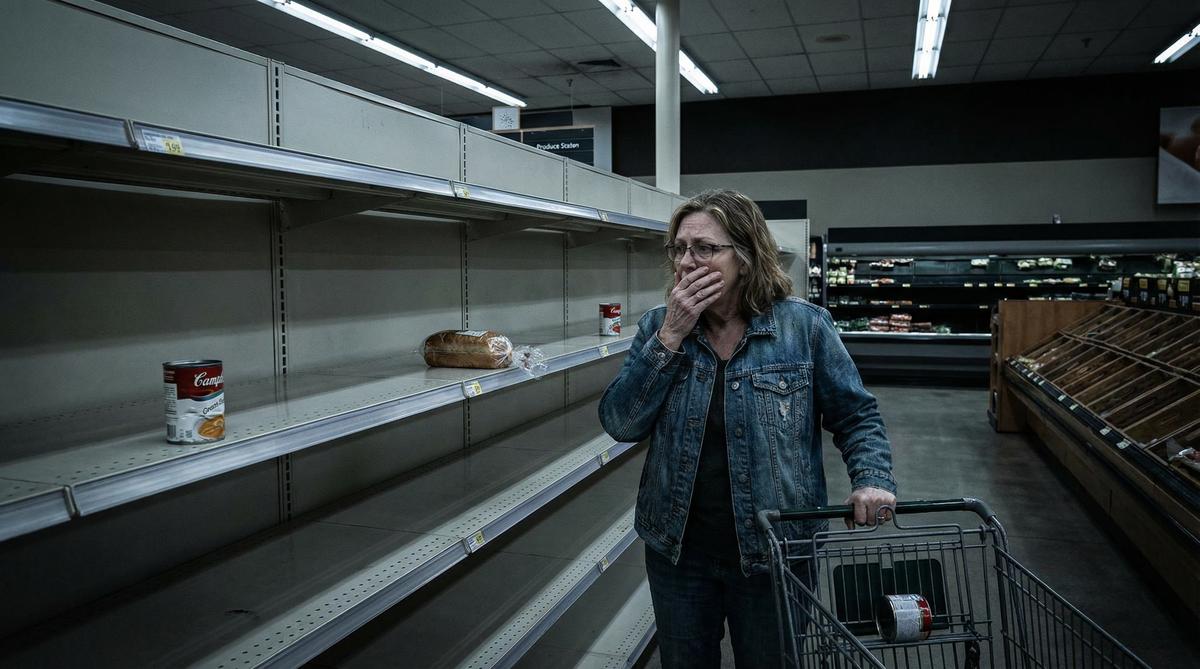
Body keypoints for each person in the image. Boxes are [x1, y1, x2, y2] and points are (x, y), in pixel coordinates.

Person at [598, 189, 897, 668]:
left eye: (704, 248)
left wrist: (873, 479)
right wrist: (671, 336)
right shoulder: (660, 328)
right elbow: (622, 422)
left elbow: (856, 416)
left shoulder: (805, 328)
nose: (686, 262)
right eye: (679, 248)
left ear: (745, 255)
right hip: (680, 552)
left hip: (775, 550)